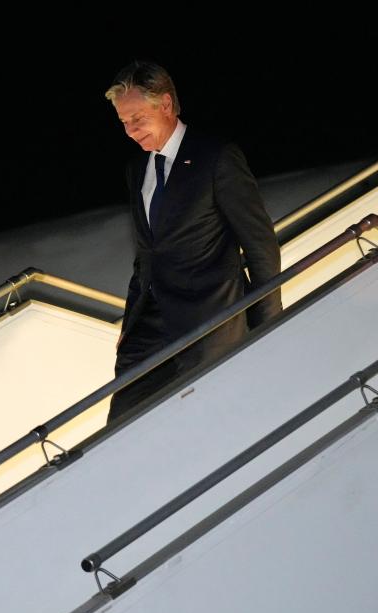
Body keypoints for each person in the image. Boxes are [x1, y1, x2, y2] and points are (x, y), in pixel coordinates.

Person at [104, 60, 282, 420]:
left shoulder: (216, 158)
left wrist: (268, 326)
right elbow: (146, 256)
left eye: (137, 117)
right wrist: (130, 324)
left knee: (205, 423)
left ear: (166, 105)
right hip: (149, 329)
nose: (131, 130)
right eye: (124, 122)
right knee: (122, 426)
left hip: (209, 322)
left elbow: (260, 245)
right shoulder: (136, 169)